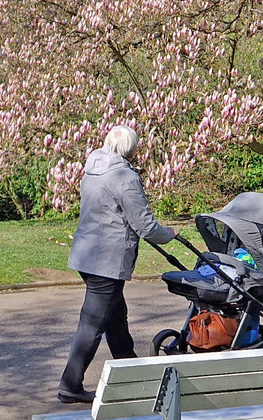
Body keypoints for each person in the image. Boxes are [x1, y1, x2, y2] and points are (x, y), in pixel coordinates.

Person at [57, 124, 177, 404]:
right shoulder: (124, 176)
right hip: (107, 260)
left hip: (87, 255)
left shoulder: (92, 169)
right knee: (92, 324)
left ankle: (130, 369)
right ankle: (70, 384)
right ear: (131, 149)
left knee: (115, 317)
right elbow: (144, 224)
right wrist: (169, 234)